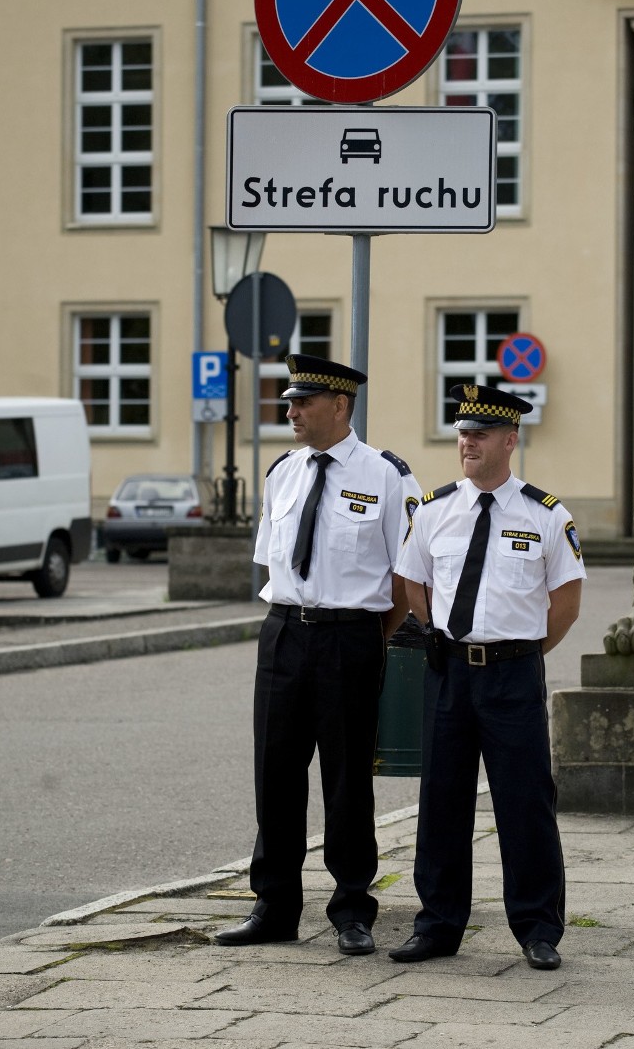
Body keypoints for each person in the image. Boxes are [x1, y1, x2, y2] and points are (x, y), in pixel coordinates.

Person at [215, 354, 420, 956]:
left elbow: (405, 576)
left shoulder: (386, 475)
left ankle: (352, 909)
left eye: (302, 402)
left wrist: (368, 636)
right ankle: (274, 906)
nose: (291, 411)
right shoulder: (283, 472)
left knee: (347, 777)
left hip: (349, 635)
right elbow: (271, 562)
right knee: (275, 774)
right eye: (289, 402)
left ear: (340, 405)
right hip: (283, 632)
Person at [389, 383, 585, 971]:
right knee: (441, 799)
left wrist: (518, 652)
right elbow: (413, 582)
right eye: (461, 432)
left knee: (524, 802)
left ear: (509, 439)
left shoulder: (546, 515)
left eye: (478, 434)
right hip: (449, 672)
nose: (466, 442)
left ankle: (537, 928)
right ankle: (439, 925)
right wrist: (446, 638)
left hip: (513, 677)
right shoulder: (431, 509)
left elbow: (566, 602)